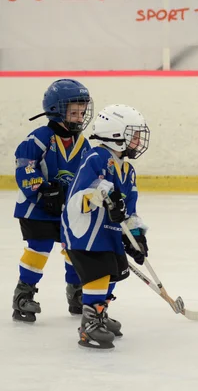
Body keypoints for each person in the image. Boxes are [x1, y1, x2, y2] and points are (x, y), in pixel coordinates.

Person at [61, 104, 150, 350]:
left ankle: (99, 313)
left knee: (114, 270)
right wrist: (104, 198)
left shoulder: (128, 170)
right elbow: (82, 194)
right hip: (85, 232)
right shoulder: (96, 157)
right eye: (133, 134)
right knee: (98, 271)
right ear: (115, 134)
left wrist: (135, 236)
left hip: (106, 232)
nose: (138, 140)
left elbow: (129, 209)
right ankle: (89, 324)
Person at [12, 79, 93, 322]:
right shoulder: (39, 138)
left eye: (82, 112)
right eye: (74, 112)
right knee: (39, 249)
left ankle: (76, 293)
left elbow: (89, 174)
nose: (80, 117)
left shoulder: (83, 143)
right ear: (57, 110)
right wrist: (42, 191)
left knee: (74, 251)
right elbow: (25, 167)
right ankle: (23, 295)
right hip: (36, 209)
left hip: (68, 211)